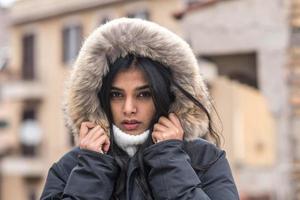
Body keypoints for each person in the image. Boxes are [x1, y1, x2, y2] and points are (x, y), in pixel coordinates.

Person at [40, 18, 239, 200]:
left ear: (165, 96)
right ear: (100, 99)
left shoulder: (206, 159)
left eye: (144, 94)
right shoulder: (70, 167)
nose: (128, 109)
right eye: (116, 95)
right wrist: (92, 169)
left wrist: (168, 160)